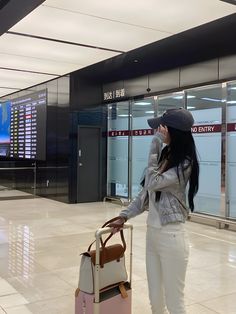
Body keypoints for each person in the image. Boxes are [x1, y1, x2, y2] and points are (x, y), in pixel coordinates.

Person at [108, 108, 199, 314]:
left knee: (175, 303)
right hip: (153, 237)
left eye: (161, 127)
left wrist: (155, 143)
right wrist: (123, 216)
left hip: (172, 237)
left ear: (172, 131)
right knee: (156, 302)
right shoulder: (166, 156)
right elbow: (145, 194)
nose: (158, 131)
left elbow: (153, 182)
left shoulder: (185, 163)